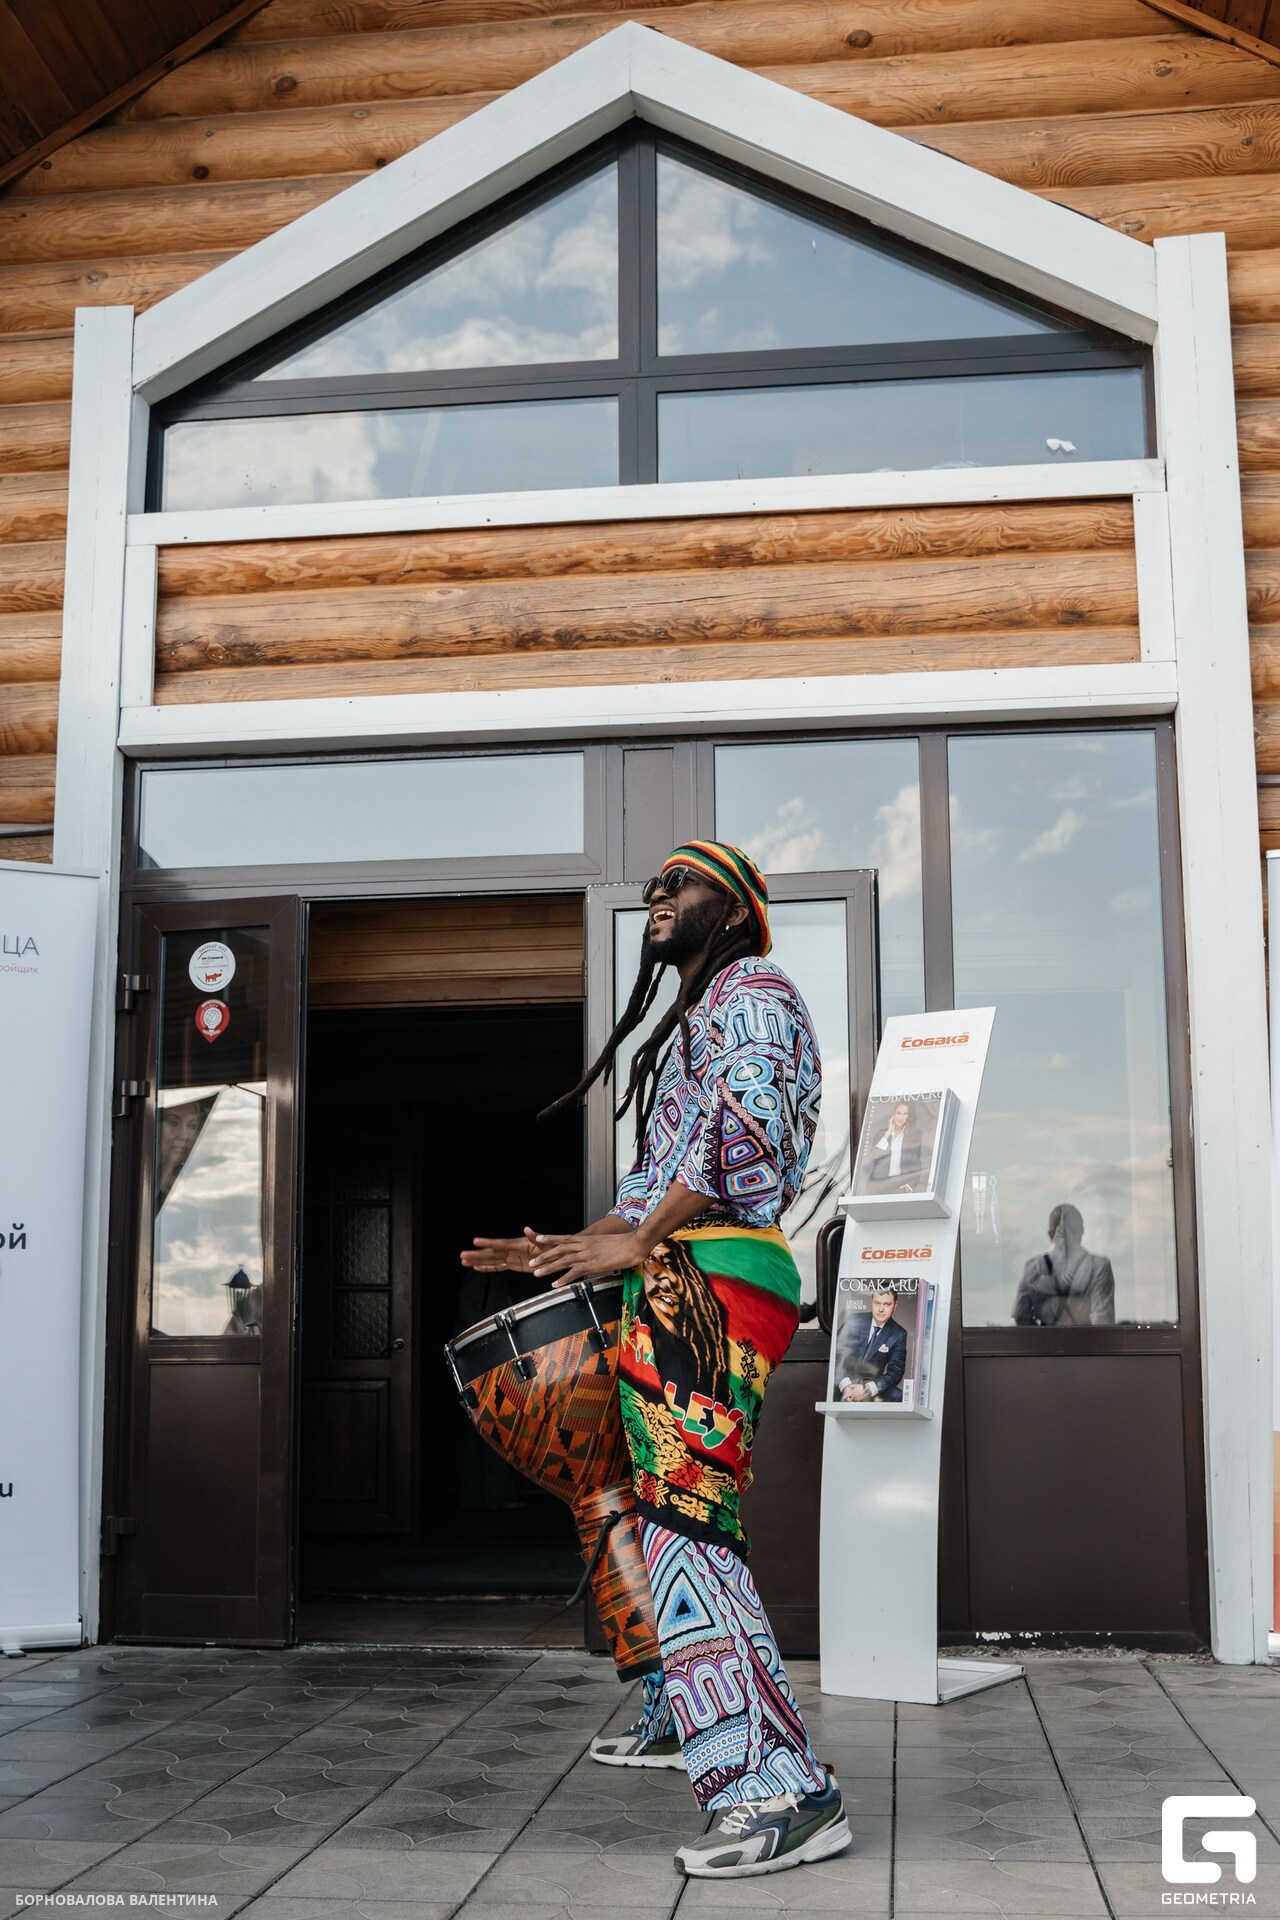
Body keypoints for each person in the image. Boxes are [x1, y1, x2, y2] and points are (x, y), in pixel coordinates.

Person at [462, 841, 850, 1879]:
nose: (658, 898)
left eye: (680, 882)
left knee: (689, 1521)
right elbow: (650, 1189)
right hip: (682, 1270)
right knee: (667, 1516)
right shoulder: (693, 1021)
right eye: (652, 889)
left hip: (716, 1274)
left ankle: (787, 1792)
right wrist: (567, 1248)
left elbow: (746, 1133)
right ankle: (719, 1738)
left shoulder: (756, 990)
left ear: (740, 907)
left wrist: (638, 1240)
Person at [1012, 1202, 1116, 1327]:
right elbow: (1102, 1320)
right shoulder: (1099, 1267)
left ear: (1050, 1235)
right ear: (1081, 1231)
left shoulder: (1032, 1267)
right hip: (1085, 1339)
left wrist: (1042, 1337)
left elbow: (1020, 1315)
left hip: (1045, 1339)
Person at [834, 1286, 907, 1402]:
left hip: (872, 1385)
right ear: (871, 1302)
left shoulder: (899, 1334)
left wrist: (867, 1389)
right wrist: (846, 1387)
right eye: (877, 1303)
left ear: (895, 1305)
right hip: (844, 1381)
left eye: (887, 1304)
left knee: (898, 1396)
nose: (881, 1309)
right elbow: (836, 1353)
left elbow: (895, 1372)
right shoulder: (854, 1320)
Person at [863, 1099, 924, 1191]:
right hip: (878, 1184)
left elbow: (916, 1163)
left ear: (909, 1116)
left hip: (899, 1185)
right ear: (893, 1114)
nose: (901, 1117)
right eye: (898, 1113)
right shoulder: (881, 1133)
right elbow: (871, 1157)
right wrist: (888, 1133)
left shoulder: (915, 1135)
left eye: (905, 1114)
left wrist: (910, 1186)